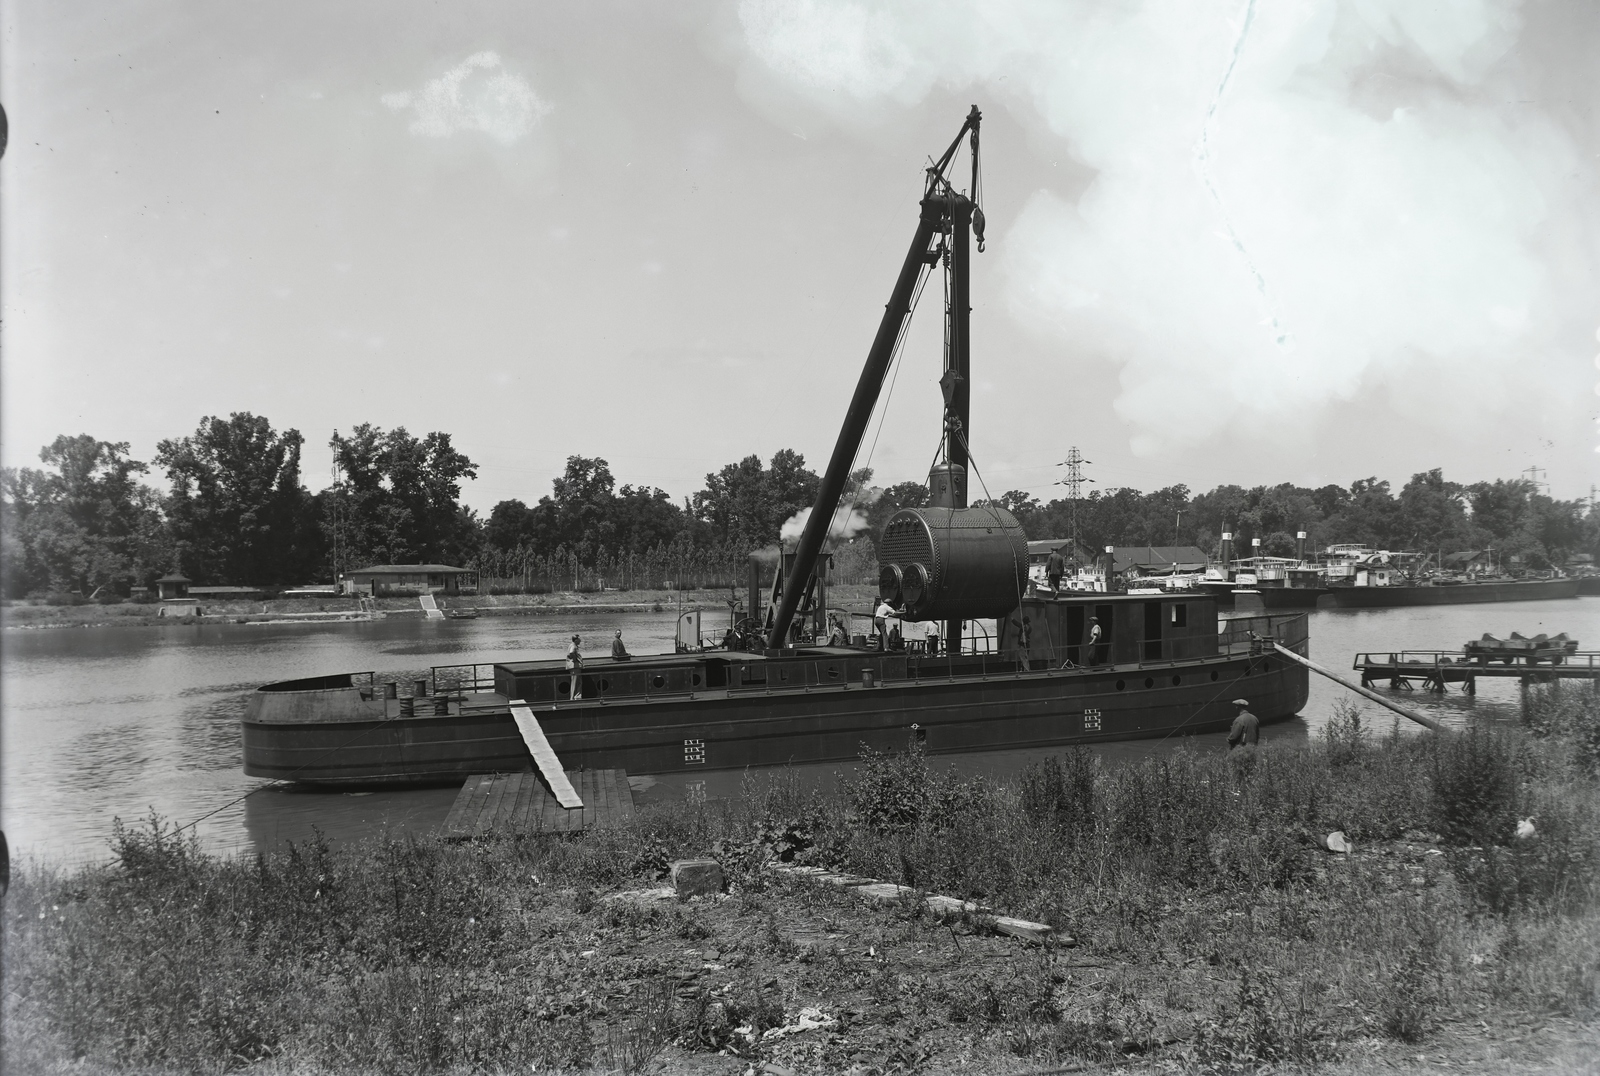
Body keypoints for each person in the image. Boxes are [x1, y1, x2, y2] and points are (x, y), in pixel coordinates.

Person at [565, 634, 584, 699]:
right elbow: (571, 652)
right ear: (576, 640)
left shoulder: (572, 645)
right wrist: (575, 659)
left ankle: (575, 697)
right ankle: (575, 697)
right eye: (579, 639)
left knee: (575, 682)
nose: (580, 640)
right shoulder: (573, 646)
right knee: (576, 682)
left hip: (574, 667)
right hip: (575, 667)